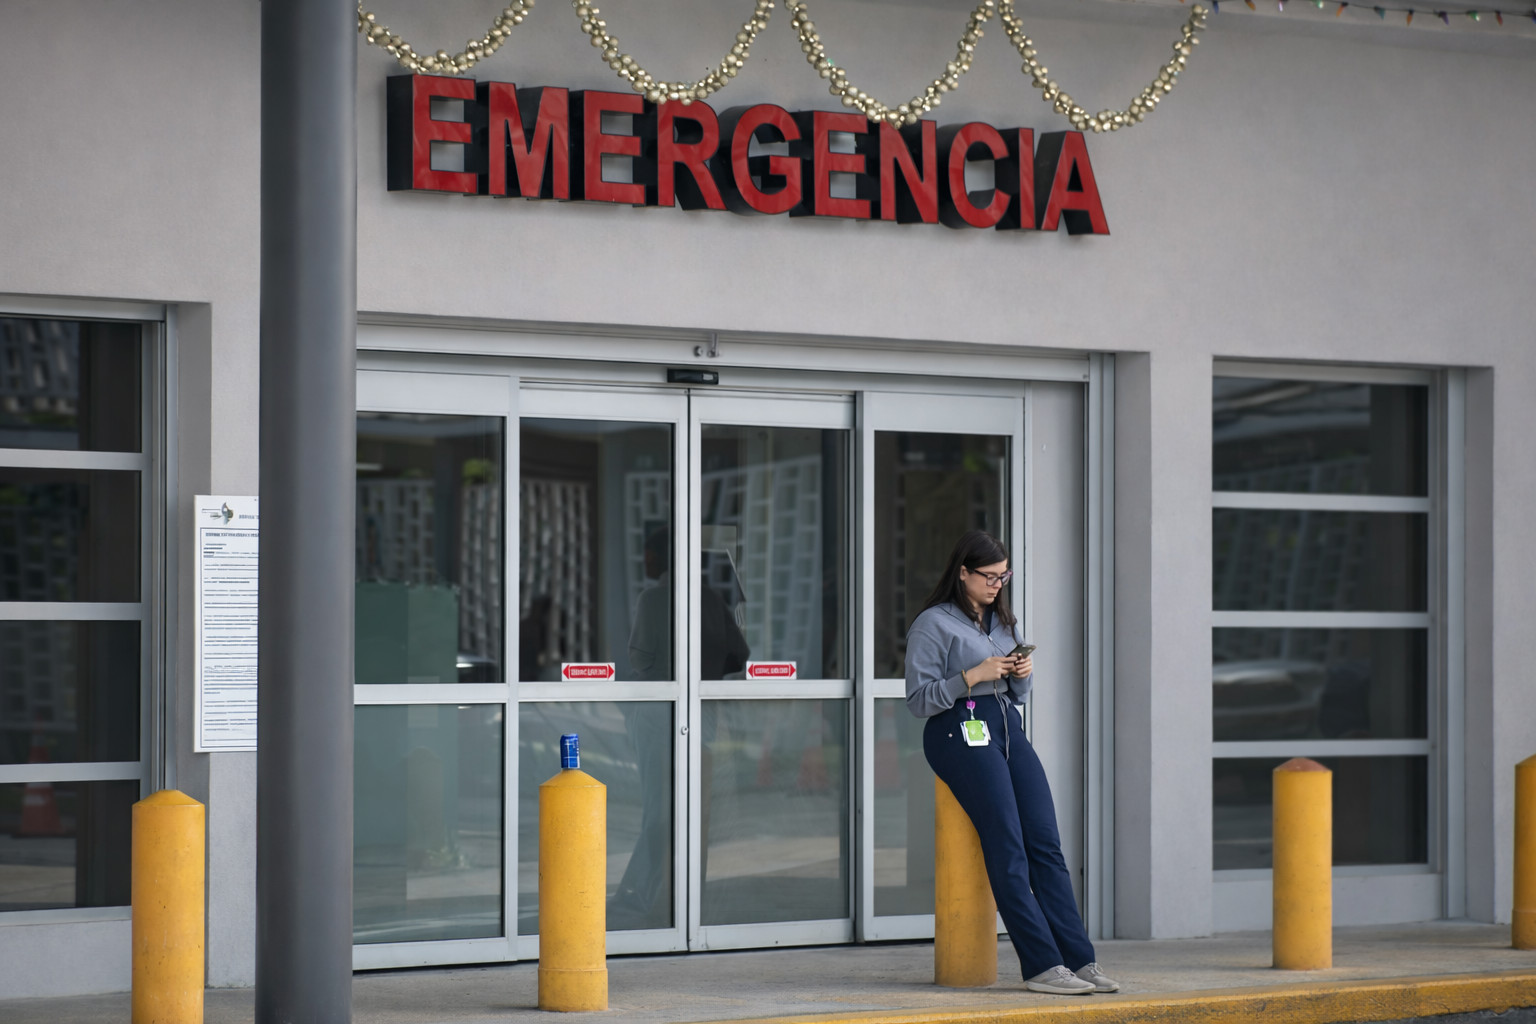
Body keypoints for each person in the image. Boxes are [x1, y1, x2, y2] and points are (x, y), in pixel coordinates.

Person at [904, 530, 1119, 996]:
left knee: (1045, 842)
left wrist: (1021, 674)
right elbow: (919, 700)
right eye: (989, 576)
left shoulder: (1003, 620)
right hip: (956, 730)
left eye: (1004, 576)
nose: (997, 584)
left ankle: (1080, 959)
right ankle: (1041, 965)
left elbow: (1016, 694)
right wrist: (971, 676)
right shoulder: (932, 624)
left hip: (1005, 727)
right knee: (1008, 844)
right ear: (962, 572)